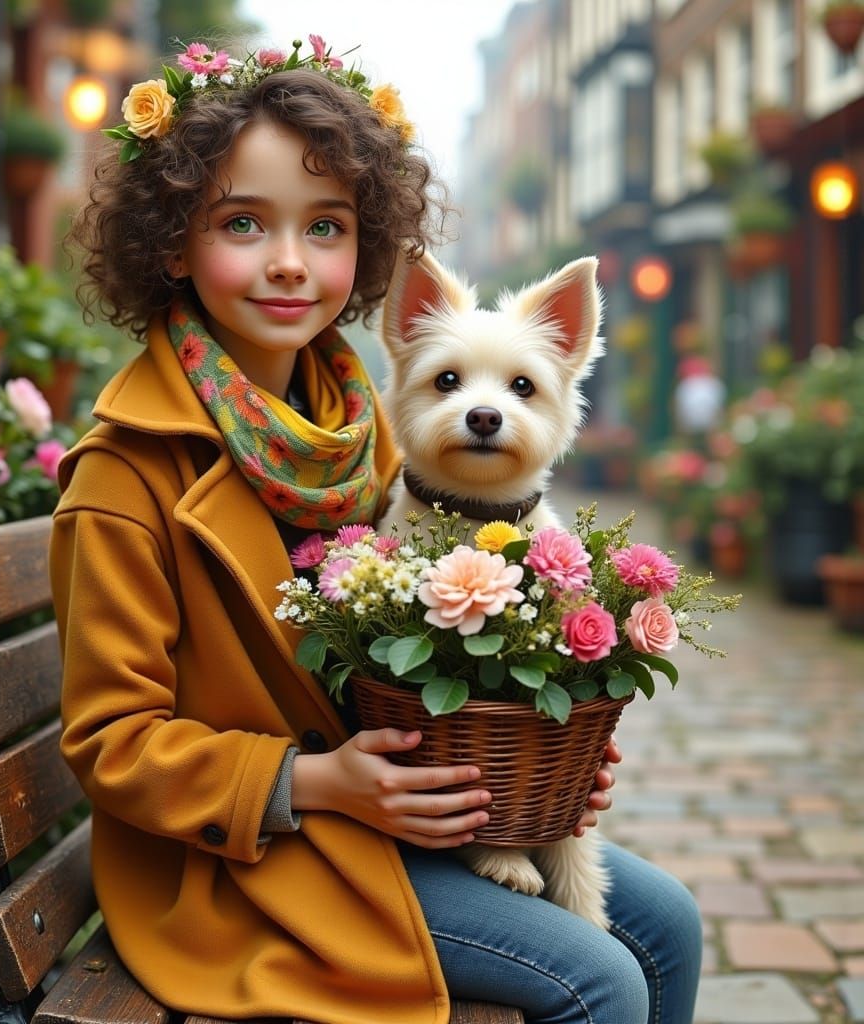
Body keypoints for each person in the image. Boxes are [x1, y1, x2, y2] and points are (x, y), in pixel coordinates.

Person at [52, 35, 702, 1024]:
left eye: (325, 226)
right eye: (242, 223)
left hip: (386, 820)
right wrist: (315, 782)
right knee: (599, 975)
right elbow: (110, 741)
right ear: (173, 243)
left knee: (673, 922)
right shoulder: (125, 472)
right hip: (249, 858)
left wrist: (535, 744)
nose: (287, 261)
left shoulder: (359, 434)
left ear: (364, 249)